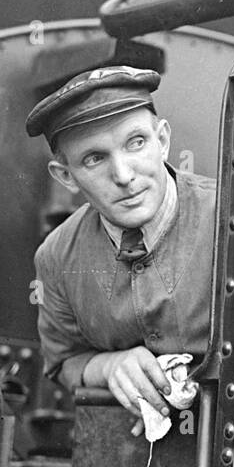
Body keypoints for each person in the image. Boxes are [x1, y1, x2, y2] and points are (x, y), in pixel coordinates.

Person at [26, 65, 216, 421]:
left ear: (163, 141)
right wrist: (110, 366)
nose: (124, 175)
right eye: (94, 159)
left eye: (136, 143)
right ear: (65, 176)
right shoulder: (56, 257)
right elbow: (64, 362)